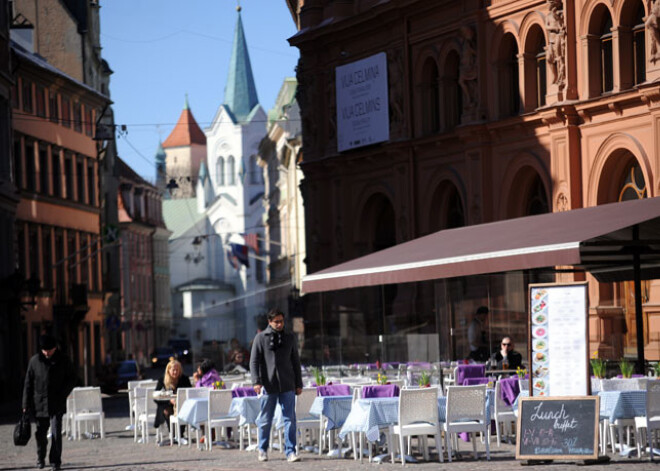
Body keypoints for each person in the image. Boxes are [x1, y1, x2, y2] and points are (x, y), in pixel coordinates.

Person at [250, 308, 303, 463]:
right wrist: (256, 381)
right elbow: (254, 362)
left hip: (288, 384)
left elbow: (295, 362)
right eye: (276, 322)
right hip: (268, 384)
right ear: (270, 322)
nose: (279, 324)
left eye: (281, 321)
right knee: (266, 419)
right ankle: (262, 449)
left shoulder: (290, 338)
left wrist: (298, 383)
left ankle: (290, 451)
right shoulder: (260, 338)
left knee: (290, 419)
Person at [22, 334, 77, 471]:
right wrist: (25, 405)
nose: (47, 353)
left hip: (56, 403)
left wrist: (63, 393)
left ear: (55, 348)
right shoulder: (34, 361)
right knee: (40, 434)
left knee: (56, 433)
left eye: (49, 350)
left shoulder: (63, 360)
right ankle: (40, 458)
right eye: (44, 350)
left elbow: (72, 378)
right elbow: (28, 384)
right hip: (39, 404)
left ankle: (55, 461)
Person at [154, 357, 192, 444]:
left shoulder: (184, 379)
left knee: (183, 411)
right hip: (166, 405)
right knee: (167, 411)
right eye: (173, 370)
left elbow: (189, 392)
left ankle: (180, 435)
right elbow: (157, 395)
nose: (175, 372)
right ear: (168, 371)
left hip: (182, 404)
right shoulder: (162, 380)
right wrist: (169, 400)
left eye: (177, 370)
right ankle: (174, 434)